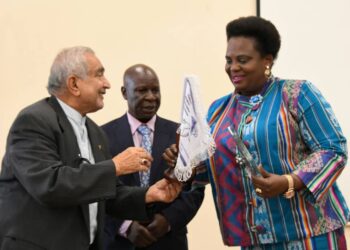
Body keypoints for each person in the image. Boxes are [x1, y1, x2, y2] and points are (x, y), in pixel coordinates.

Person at [163, 16, 349, 249]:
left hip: (311, 235)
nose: (233, 68)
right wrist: (185, 163)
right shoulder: (218, 110)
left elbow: (333, 149)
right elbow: (210, 169)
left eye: (243, 60)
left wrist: (288, 181)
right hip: (253, 240)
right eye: (228, 60)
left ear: (267, 61)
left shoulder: (297, 94)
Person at [0, 46, 182, 250]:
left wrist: (148, 194)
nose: (107, 84)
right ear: (74, 84)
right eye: (99, 75)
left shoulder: (94, 132)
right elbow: (50, 184)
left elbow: (106, 193)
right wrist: (115, 166)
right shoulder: (33, 121)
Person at [102, 64, 204, 250]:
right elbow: (97, 192)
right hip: (119, 243)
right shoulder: (102, 136)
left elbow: (195, 188)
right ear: (125, 93)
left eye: (155, 90)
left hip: (169, 241)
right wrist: (125, 227)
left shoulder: (181, 134)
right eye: (142, 90)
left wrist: (168, 220)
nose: (151, 97)